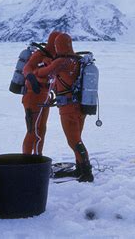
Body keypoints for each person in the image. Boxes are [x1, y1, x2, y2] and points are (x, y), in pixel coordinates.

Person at [34, 33, 94, 182]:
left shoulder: (62, 61)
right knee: (77, 138)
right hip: (80, 107)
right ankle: (80, 169)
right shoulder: (77, 60)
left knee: (73, 141)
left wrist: (38, 68)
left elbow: (43, 73)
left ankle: (86, 172)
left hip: (68, 108)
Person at [22, 31, 61, 155]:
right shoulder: (40, 54)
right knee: (32, 130)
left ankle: (38, 156)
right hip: (32, 96)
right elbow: (27, 68)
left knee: (42, 129)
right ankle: (26, 160)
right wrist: (31, 78)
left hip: (45, 97)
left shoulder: (56, 57)